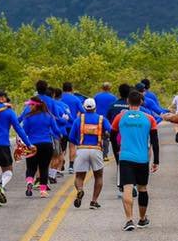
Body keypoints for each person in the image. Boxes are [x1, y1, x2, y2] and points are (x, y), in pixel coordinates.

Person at [111, 90, 160, 231]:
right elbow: (155, 142)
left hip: (125, 157)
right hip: (142, 158)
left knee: (127, 187)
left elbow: (113, 137)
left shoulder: (120, 117)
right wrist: (156, 160)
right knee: (142, 188)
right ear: (141, 102)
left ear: (127, 102)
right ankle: (142, 219)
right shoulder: (149, 118)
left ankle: (129, 220)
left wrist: (117, 153)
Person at [68, 98, 112, 210]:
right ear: (95, 107)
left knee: (79, 176)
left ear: (84, 107)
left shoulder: (78, 120)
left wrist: (79, 143)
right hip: (96, 149)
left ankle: (80, 190)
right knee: (98, 176)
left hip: (82, 149)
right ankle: (94, 201)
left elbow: (71, 137)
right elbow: (111, 130)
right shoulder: (101, 119)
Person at [19, 97, 64, 198]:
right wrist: (59, 135)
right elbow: (56, 130)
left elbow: (24, 131)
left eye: (30, 104)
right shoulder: (49, 116)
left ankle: (29, 182)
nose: (29, 106)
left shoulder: (28, 117)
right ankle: (43, 191)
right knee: (44, 168)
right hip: (46, 144)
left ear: (35, 105)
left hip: (32, 144)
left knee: (31, 167)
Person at [93, 82, 118, 158]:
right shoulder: (113, 98)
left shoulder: (97, 96)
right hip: (108, 119)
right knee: (106, 137)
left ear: (102, 88)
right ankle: (105, 154)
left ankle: (98, 151)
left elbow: (94, 107)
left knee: (98, 135)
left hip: (97, 118)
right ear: (109, 88)